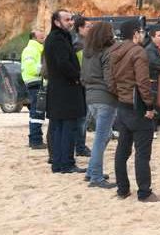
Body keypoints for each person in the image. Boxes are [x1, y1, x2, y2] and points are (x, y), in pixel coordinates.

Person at [108, 19, 159, 202]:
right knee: (142, 152)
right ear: (136, 33)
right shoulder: (138, 52)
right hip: (138, 107)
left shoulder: (114, 52)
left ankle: (123, 189)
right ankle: (144, 192)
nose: (144, 34)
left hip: (122, 106)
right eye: (142, 31)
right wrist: (150, 106)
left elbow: (111, 82)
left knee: (122, 150)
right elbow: (143, 83)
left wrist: (121, 95)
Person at [45, 10, 87, 174]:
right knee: (66, 128)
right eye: (67, 19)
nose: (71, 22)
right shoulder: (57, 39)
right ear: (56, 22)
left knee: (60, 128)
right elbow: (63, 64)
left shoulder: (59, 38)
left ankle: (59, 163)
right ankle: (65, 163)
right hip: (65, 90)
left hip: (60, 90)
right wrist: (78, 77)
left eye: (71, 19)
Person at [81, 22, 117, 189]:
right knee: (101, 138)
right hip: (105, 99)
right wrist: (118, 92)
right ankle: (96, 177)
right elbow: (109, 79)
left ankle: (91, 171)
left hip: (90, 98)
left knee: (106, 135)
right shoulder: (107, 53)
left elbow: (83, 77)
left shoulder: (87, 54)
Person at [21, 30, 46, 149]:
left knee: (36, 112)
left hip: (36, 83)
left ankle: (35, 139)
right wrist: (47, 69)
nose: (43, 35)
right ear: (33, 37)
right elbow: (30, 68)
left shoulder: (37, 48)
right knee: (37, 112)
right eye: (40, 33)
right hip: (35, 83)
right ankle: (36, 141)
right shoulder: (30, 50)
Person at [72, 15, 92, 157]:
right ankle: (80, 146)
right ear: (80, 28)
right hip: (82, 85)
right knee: (82, 117)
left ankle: (79, 145)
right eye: (88, 27)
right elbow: (84, 66)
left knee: (83, 117)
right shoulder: (79, 45)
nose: (90, 29)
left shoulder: (84, 43)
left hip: (82, 84)